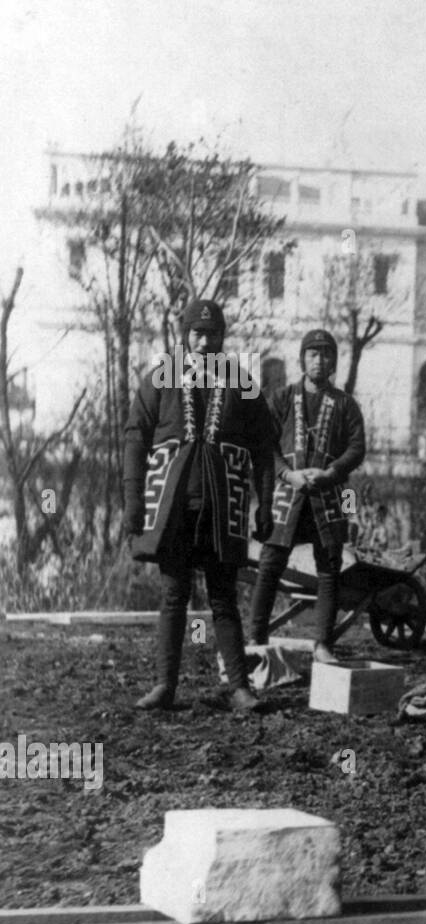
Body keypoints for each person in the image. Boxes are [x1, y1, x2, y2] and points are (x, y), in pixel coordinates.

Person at [124, 298, 277, 711]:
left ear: (222, 337)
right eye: (197, 333)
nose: (204, 341)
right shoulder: (161, 378)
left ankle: (240, 687)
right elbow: (136, 438)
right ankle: (164, 686)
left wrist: (265, 505)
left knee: (224, 596)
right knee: (174, 594)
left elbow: (265, 445)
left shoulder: (240, 381)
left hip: (223, 506)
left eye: (211, 334)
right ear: (185, 336)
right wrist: (133, 500)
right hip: (172, 507)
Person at [250, 328, 367, 663]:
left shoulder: (345, 404)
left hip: (327, 496)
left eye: (327, 354)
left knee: (330, 568)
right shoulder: (283, 399)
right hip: (288, 494)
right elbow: (264, 444)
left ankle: (323, 645)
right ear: (302, 359)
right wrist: (287, 474)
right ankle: (257, 637)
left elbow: (357, 448)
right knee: (270, 564)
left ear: (334, 361)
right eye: (313, 354)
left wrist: (332, 473)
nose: (320, 361)